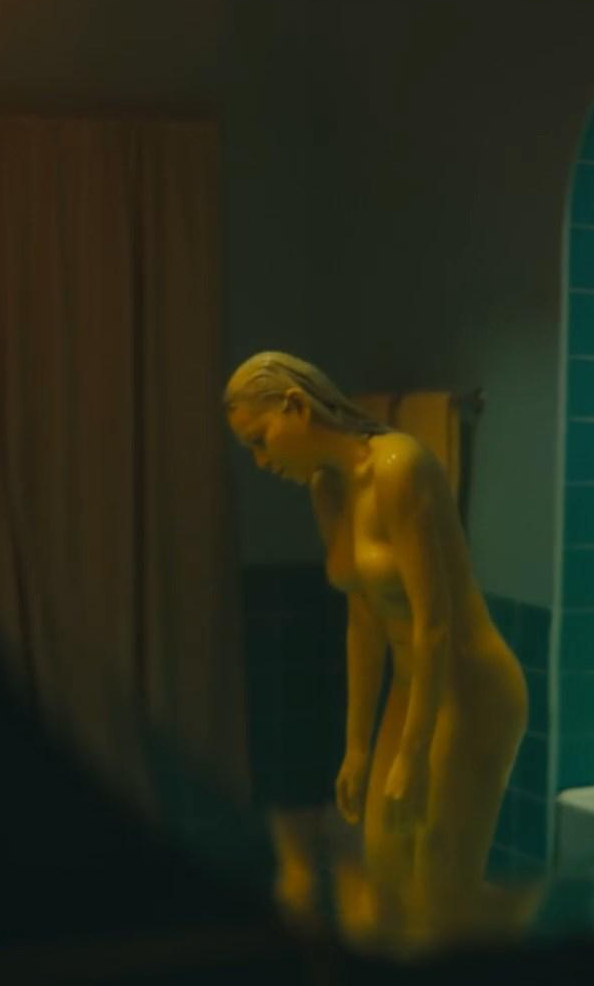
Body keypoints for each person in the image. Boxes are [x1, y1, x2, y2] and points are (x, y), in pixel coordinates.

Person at [223, 351, 533, 953]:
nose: (262, 461)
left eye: (261, 440)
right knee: (388, 872)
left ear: (295, 407)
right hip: (413, 689)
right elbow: (362, 620)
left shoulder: (400, 466)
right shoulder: (327, 488)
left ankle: (543, 921)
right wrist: (359, 746)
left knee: (438, 894)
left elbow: (435, 624)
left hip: (471, 688)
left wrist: (413, 756)